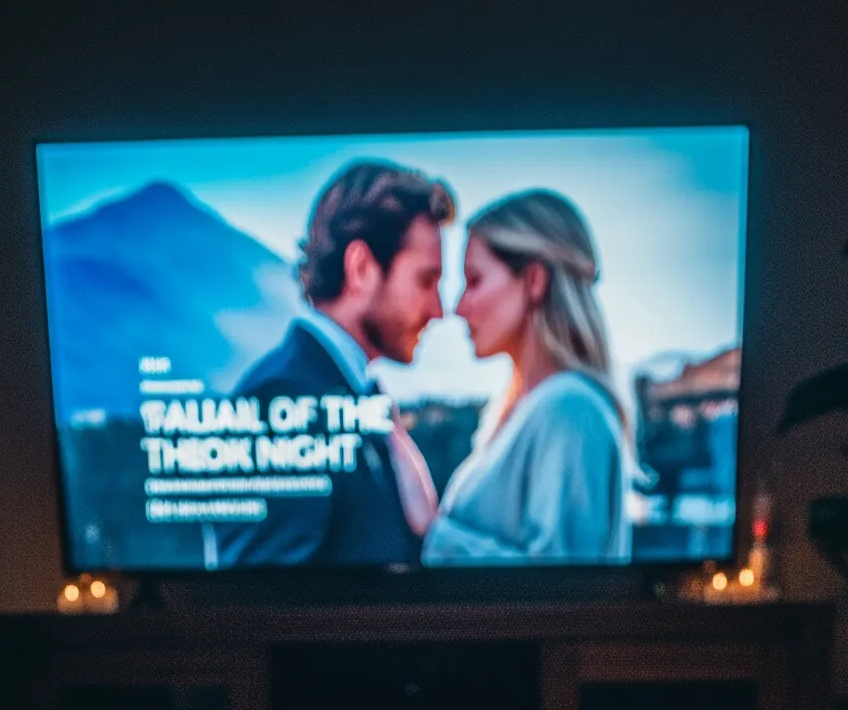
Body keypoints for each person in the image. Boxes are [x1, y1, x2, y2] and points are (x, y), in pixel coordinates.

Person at [213, 161, 453, 567]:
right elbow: (259, 611)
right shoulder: (279, 403)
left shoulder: (350, 393)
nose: (438, 309)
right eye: (425, 280)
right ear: (361, 268)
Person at [420, 190, 630, 568]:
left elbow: (563, 593)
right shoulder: (525, 410)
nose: (458, 306)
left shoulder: (570, 409)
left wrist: (432, 535)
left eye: (475, 279)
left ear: (534, 280)